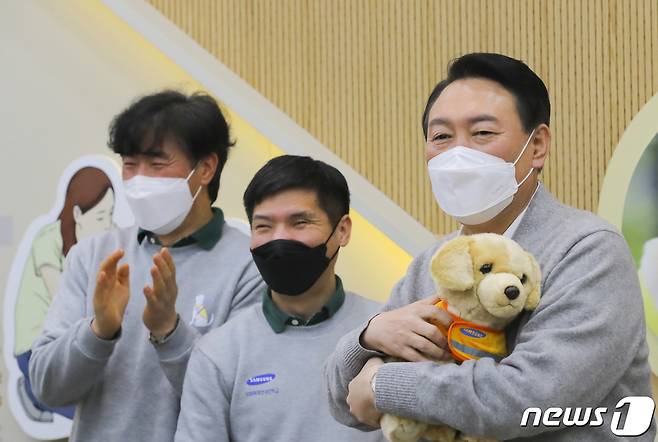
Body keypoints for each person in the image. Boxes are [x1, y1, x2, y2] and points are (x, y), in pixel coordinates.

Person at [325, 53, 656, 441]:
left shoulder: (588, 251)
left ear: (537, 146)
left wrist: (385, 385)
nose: (459, 154)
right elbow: (347, 403)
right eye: (442, 137)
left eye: (482, 133)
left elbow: (530, 399)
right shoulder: (431, 264)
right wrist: (368, 336)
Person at [29, 90, 265, 442]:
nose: (139, 179)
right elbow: (47, 388)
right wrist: (99, 331)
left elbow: (240, 404)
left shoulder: (248, 267)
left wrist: (169, 332)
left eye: (157, 165)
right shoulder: (94, 255)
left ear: (205, 168)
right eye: (129, 164)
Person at [175, 155, 383, 442]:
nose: (279, 239)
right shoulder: (219, 353)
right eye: (263, 226)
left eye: (300, 222)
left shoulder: (383, 332)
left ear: (342, 230)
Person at [15, 167, 114, 422]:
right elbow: (61, 298)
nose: (108, 224)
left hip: (77, 343)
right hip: (36, 348)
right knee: (89, 412)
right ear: (78, 214)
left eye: (111, 215)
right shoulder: (48, 240)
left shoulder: (98, 247)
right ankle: (30, 391)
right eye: (102, 216)